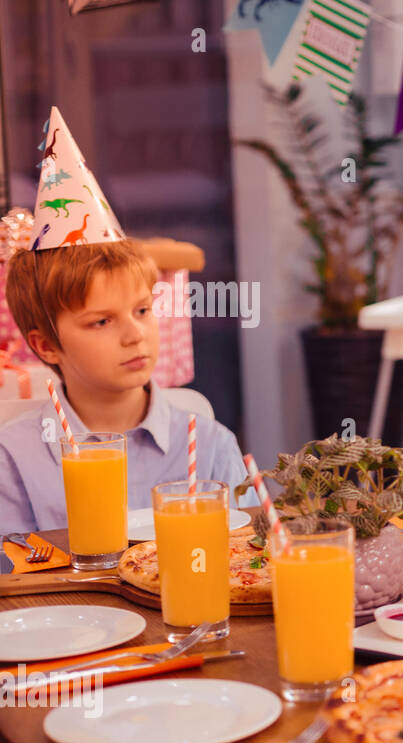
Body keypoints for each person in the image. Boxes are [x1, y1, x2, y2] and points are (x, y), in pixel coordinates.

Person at [0, 107, 251, 539]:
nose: (135, 334)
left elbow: (245, 560)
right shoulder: (14, 456)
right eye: (101, 322)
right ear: (46, 347)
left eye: (142, 310)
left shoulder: (210, 444)